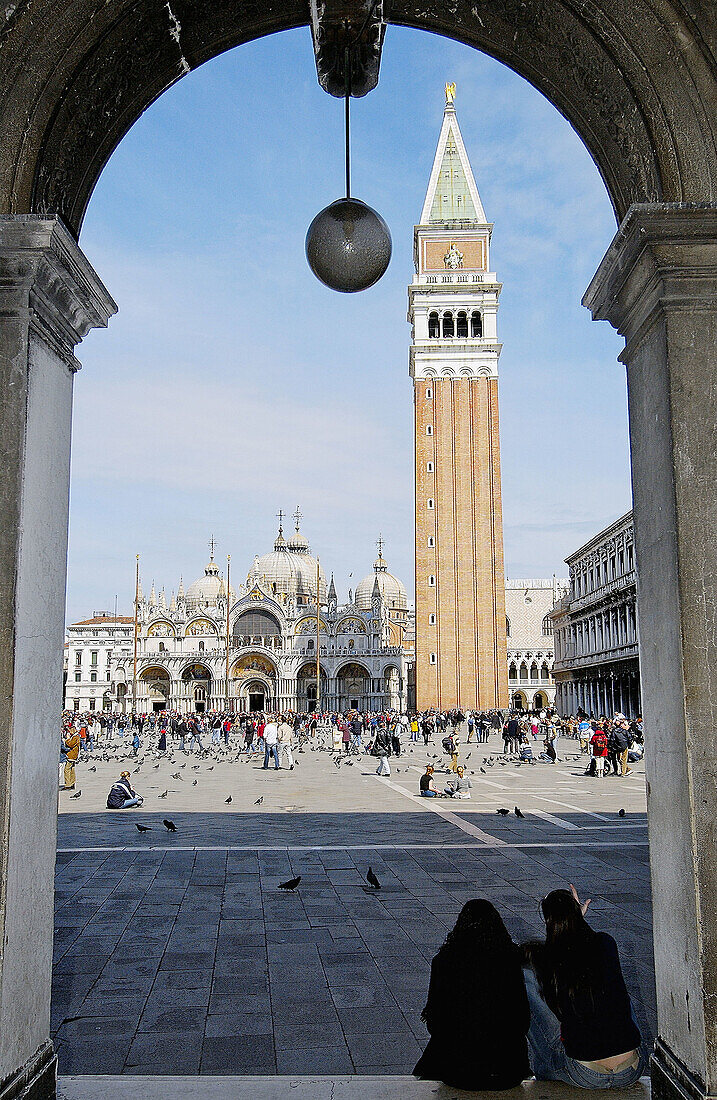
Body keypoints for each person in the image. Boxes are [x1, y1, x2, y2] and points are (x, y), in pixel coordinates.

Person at [522, 886, 646, 1088]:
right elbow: (581, 946)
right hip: (632, 1069)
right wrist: (578, 917)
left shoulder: (546, 958)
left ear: (548, 921)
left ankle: (543, 1068)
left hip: (584, 1072)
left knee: (526, 980)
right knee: (611, 983)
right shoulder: (606, 942)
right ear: (578, 912)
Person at [414, 899, 530, 1090]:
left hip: (458, 1072)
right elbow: (522, 1019)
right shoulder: (510, 960)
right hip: (507, 1071)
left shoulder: (444, 961)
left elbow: (435, 1022)